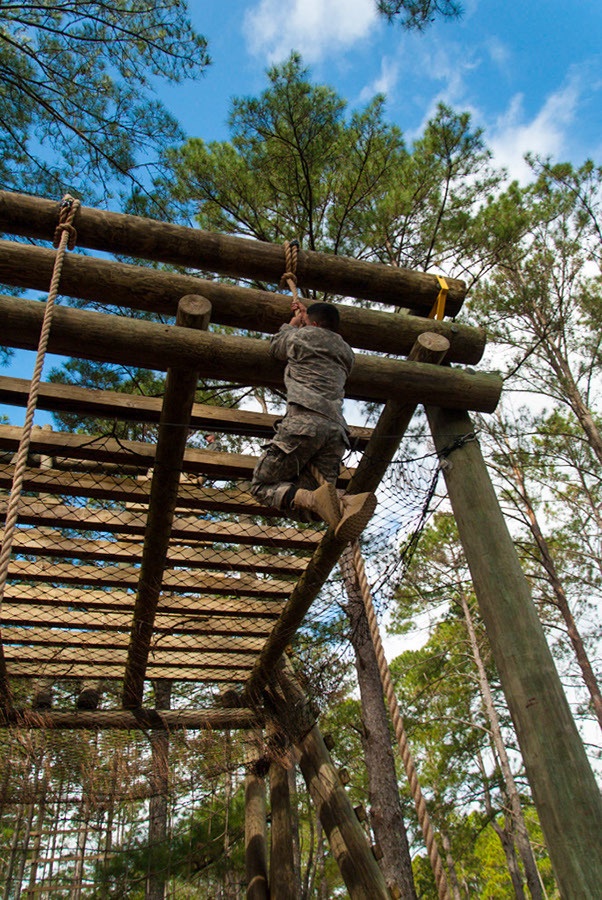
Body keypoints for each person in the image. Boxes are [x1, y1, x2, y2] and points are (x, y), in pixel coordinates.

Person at [251, 299, 376, 543]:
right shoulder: (347, 353)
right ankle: (347, 502)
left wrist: (292, 324)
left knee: (261, 486)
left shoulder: (303, 336)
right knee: (316, 507)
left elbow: (276, 346)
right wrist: (305, 320)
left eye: (307, 323)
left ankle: (325, 499)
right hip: (336, 432)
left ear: (314, 324)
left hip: (304, 423)